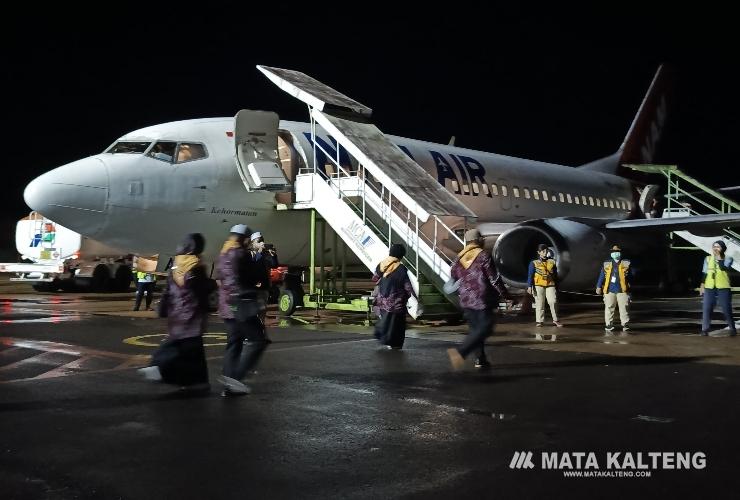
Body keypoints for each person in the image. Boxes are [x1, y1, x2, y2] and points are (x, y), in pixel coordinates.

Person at [138, 233, 212, 393]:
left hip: (176, 315)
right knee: (189, 351)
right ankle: (164, 371)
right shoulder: (196, 267)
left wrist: (163, 308)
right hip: (192, 318)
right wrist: (209, 306)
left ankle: (198, 382)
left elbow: (168, 292)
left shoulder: (175, 266)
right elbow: (201, 293)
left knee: (190, 350)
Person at [217, 224, 269, 397]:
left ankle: (228, 382)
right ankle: (236, 380)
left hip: (227, 304)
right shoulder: (240, 254)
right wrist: (260, 258)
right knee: (258, 340)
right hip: (241, 303)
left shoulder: (224, 253)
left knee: (234, 343)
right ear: (244, 238)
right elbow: (253, 276)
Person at [447, 229, 508, 370]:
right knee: (485, 328)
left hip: (466, 300)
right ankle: (460, 352)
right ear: (478, 240)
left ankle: (480, 359)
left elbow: (453, 276)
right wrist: (505, 294)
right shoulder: (483, 256)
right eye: (482, 238)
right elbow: (494, 279)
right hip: (482, 300)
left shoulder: (458, 258)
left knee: (475, 330)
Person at [372, 243, 417, 350]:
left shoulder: (382, 264)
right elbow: (407, 286)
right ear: (401, 255)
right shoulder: (401, 268)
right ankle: (395, 344)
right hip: (396, 303)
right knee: (398, 325)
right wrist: (413, 296)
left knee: (386, 320)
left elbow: (374, 278)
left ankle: (383, 337)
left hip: (382, 300)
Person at [700, 240, 736, 336]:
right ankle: (705, 329)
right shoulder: (707, 258)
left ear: (722, 249)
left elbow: (723, 267)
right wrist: (702, 285)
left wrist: (719, 257)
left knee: (726, 309)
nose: (715, 249)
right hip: (709, 286)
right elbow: (705, 272)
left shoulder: (729, 258)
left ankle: (732, 328)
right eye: (714, 247)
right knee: (707, 308)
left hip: (723, 286)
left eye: (718, 247)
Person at [596, 245, 632, 335]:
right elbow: (601, 275)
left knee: (624, 307)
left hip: (622, 289)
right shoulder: (606, 263)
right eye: (613, 252)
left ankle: (625, 324)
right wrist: (598, 286)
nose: (615, 253)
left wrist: (630, 289)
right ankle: (609, 324)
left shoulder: (626, 263)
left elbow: (631, 276)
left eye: (617, 252)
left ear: (620, 253)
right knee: (609, 307)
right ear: (611, 253)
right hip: (609, 289)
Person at [527, 244, 563, 328]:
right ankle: (540, 321)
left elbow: (555, 275)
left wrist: (557, 286)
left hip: (550, 284)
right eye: (543, 251)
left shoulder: (552, 261)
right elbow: (530, 275)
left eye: (546, 251)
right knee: (540, 303)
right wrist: (529, 286)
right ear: (539, 252)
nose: (545, 252)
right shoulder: (534, 263)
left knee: (553, 301)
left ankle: (556, 319)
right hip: (538, 285)